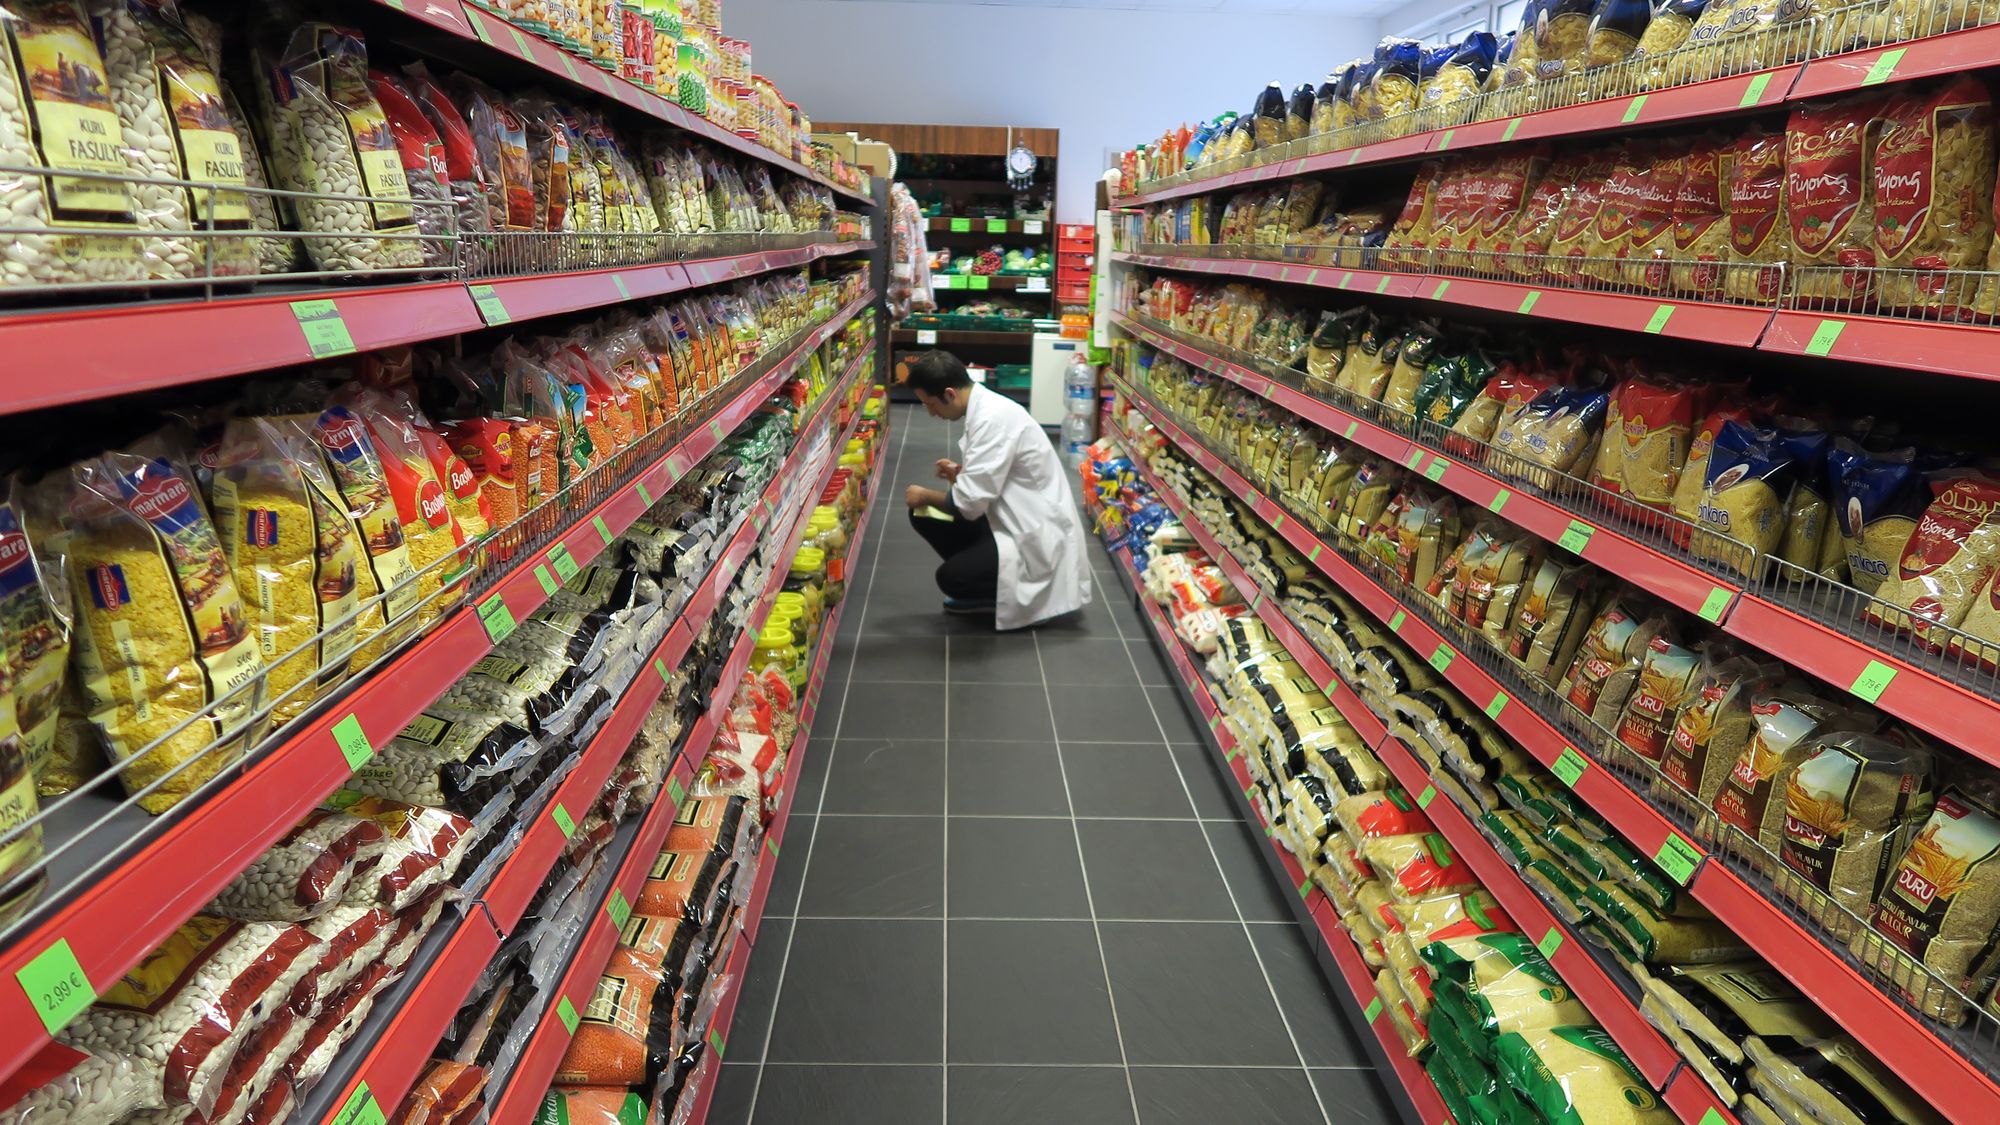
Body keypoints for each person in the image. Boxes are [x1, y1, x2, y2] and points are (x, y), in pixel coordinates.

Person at [900, 350, 1091, 629]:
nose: (931, 413)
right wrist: (959, 475)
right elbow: (995, 477)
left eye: (931, 405)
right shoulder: (984, 407)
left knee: (951, 577)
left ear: (950, 394)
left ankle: (1001, 596)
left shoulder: (992, 418)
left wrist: (926, 494)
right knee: (923, 515)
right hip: (1011, 517)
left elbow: (968, 505)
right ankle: (989, 581)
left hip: (1035, 537)